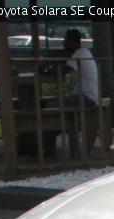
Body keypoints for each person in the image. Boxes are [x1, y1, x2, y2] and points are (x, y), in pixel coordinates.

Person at [43, 28, 99, 157]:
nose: (64, 43)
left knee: (51, 110)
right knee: (55, 107)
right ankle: (48, 145)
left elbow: (63, 71)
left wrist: (47, 68)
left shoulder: (80, 54)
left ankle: (48, 150)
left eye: (66, 41)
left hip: (85, 96)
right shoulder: (83, 53)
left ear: (73, 41)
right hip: (87, 95)